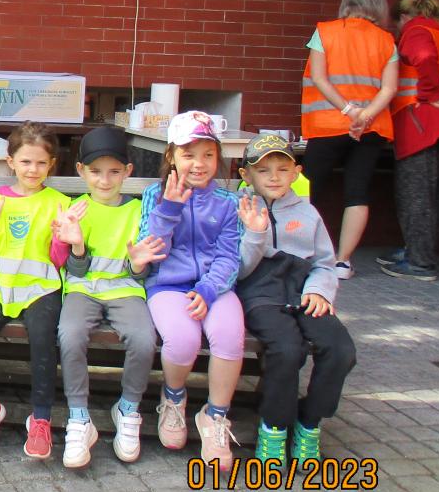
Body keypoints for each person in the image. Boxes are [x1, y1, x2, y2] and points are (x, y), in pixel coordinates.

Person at [238, 133, 356, 462]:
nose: (274, 177)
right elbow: (239, 269)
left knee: (340, 349)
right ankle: (274, 425)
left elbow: (324, 263)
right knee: (288, 349)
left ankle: (309, 420)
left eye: (282, 169)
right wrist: (255, 233)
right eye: (263, 170)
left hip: (305, 293)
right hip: (260, 294)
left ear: (296, 172)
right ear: (246, 174)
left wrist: (319, 290)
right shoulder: (239, 208)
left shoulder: (308, 213)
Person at [139, 111, 244, 472]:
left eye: (208, 155)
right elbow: (153, 250)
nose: (199, 164)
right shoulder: (155, 195)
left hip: (216, 287)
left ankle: (215, 416)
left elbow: (230, 255)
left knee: (229, 335)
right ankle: (174, 398)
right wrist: (170, 209)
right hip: (167, 285)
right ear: (171, 156)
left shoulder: (227, 202)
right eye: (188, 154)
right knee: (182, 338)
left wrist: (210, 289)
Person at [55, 126, 161, 469]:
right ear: (81, 171)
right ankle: (79, 417)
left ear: (128, 171)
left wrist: (138, 264)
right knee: (70, 335)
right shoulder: (75, 210)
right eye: (96, 171)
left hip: (125, 290)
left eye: (114, 171)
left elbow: (138, 274)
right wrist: (77, 245)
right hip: (83, 290)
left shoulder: (137, 212)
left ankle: (128, 409)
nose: (104, 180)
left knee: (143, 338)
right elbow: (76, 270)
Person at [0, 123, 73, 459]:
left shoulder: (58, 203)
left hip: (41, 289)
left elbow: (58, 259)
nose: (33, 169)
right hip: (0, 288)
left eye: (41, 162)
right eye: (26, 161)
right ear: (11, 161)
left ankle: (40, 417)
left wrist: (62, 237)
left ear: (52, 164)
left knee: (43, 337)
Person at [301, 0, 398, 278]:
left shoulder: (324, 32)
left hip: (327, 123)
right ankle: (342, 261)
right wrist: (365, 115)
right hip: (370, 129)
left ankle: (297, 252)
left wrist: (348, 110)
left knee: (305, 187)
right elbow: (389, 88)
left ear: (347, 4)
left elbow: (319, 78)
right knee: (357, 192)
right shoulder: (387, 40)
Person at [378, 0, 439, 280]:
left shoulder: (417, 31)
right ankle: (418, 252)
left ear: (405, 17)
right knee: (438, 195)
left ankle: (418, 262)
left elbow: (424, 57)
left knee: (416, 195)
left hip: (423, 124)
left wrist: (431, 93)